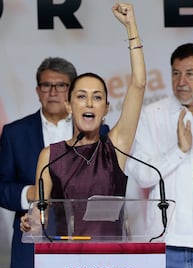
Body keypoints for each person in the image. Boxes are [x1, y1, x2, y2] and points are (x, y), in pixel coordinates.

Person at [21, 3, 145, 237]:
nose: (89, 103)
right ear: (69, 105)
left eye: (97, 97)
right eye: (81, 97)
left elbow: (138, 85)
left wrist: (131, 28)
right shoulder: (49, 157)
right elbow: (39, 216)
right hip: (69, 265)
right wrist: (31, 223)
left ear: (106, 108)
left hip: (112, 262)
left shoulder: (114, 147)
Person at [0, 56, 77, 268]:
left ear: (72, 90)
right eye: (46, 85)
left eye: (61, 85)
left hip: (82, 247)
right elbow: (2, 187)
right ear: (37, 91)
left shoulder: (94, 130)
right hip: (32, 252)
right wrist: (30, 193)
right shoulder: (14, 132)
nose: (53, 92)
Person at [125, 43, 193, 268]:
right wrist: (178, 151)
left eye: (190, 73)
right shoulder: (150, 115)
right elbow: (142, 174)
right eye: (176, 73)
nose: (181, 81)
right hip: (169, 246)